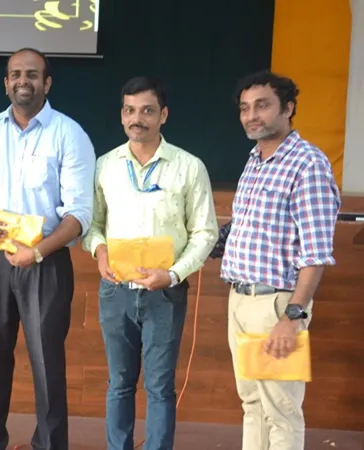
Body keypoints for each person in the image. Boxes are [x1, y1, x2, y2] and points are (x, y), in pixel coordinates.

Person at [0, 47, 96, 450]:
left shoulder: (69, 134)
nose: (24, 81)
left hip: (46, 261)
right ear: (6, 83)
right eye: (16, 74)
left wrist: (36, 252)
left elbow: (79, 214)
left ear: (47, 83)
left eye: (33, 74)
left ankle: (50, 444)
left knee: (46, 360)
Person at [82, 76, 219, 450]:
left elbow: (205, 232)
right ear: (121, 115)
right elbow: (92, 224)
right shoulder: (105, 165)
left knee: (159, 386)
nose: (137, 119)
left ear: (164, 115)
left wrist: (173, 274)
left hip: (165, 292)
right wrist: (100, 251)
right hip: (116, 291)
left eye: (147, 111)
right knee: (119, 383)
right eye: (130, 110)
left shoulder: (189, 167)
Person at [221, 71, 340, 450]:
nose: (251, 115)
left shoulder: (308, 164)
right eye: (244, 108)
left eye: (262, 106)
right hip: (240, 300)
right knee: (253, 405)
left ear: (288, 108)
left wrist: (292, 317)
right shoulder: (255, 160)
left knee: (282, 411)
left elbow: (316, 253)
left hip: (277, 305)